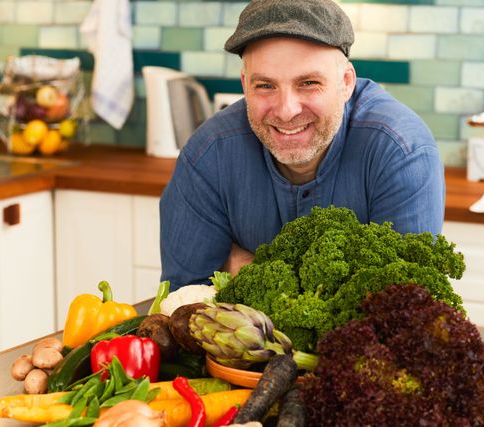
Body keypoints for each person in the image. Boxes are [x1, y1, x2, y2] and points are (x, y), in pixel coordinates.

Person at [159, 0, 445, 291]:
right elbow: (185, 296)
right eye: (265, 86)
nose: (286, 111)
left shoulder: (400, 152)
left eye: (308, 83)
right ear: (245, 85)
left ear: (346, 83)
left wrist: (241, 266)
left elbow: (404, 308)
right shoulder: (208, 154)